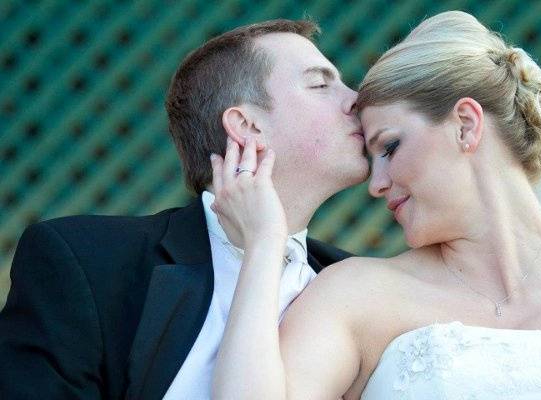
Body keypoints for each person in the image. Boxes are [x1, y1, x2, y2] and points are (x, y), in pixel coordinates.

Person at [210, 11, 541, 399]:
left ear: (465, 124)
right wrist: (264, 243)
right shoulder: (355, 293)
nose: (376, 185)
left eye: (390, 146)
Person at [0, 19, 369, 399]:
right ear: (246, 125)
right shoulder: (86, 262)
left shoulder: (361, 284)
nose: (356, 99)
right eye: (321, 84)